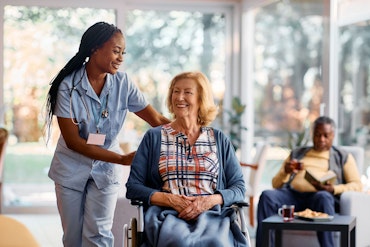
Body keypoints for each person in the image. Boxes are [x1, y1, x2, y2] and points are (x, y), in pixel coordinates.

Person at [44, 22, 170, 246]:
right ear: (94, 49)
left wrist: (190, 133)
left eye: (123, 52)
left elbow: (157, 120)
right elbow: (74, 142)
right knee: (73, 238)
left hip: (106, 170)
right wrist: (122, 159)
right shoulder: (68, 86)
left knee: (99, 235)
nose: (121, 57)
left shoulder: (123, 83)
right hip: (71, 168)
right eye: (115, 50)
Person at [126, 71, 249, 247]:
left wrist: (208, 201)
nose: (179, 97)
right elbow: (133, 187)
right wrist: (170, 200)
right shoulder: (154, 137)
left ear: (201, 99)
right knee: (178, 242)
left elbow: (238, 187)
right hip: (167, 215)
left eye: (187, 92)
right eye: (176, 91)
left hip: (212, 216)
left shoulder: (218, 138)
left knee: (216, 242)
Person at [255, 116, 362, 247]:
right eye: (317, 135)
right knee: (267, 196)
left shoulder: (342, 156)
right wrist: (286, 172)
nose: (321, 139)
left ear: (333, 135)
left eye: (326, 135)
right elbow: (275, 184)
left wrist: (333, 189)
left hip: (319, 198)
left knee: (323, 197)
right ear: (313, 134)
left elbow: (357, 185)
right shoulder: (297, 153)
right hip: (293, 196)